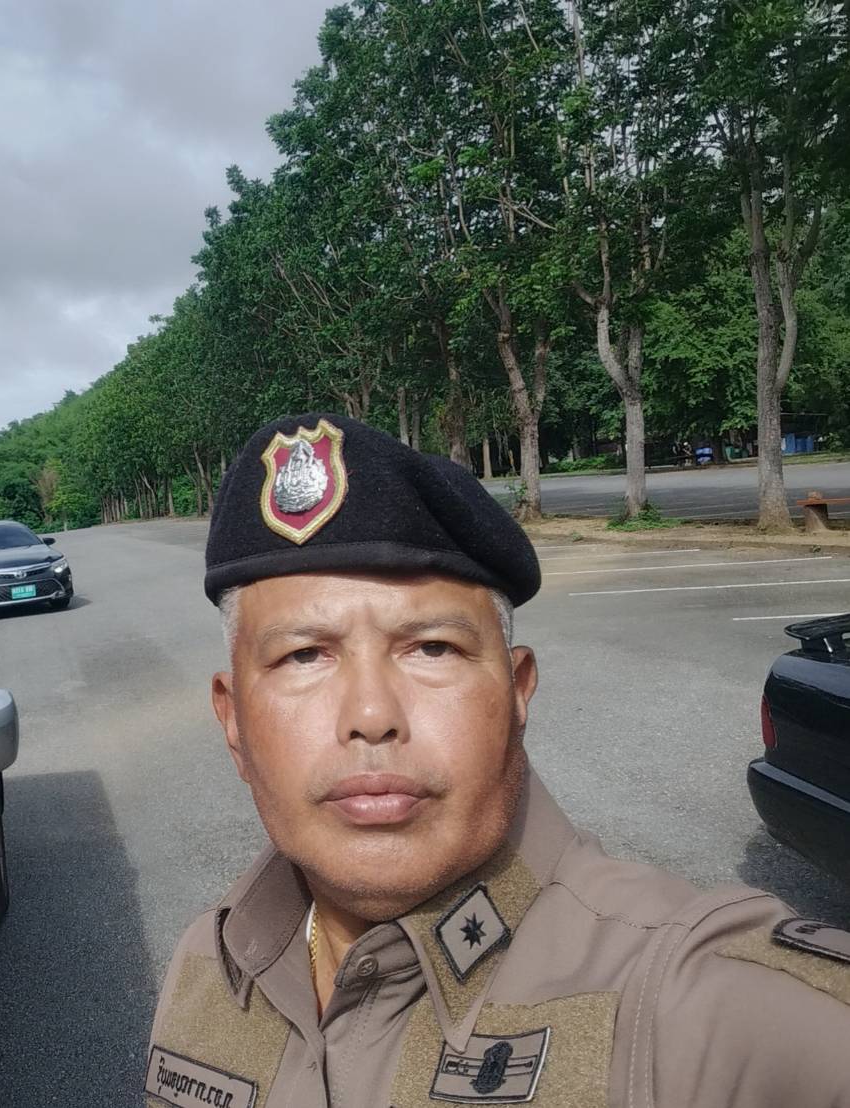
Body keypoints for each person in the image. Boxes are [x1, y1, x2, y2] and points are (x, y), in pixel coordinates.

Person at [145, 413, 850, 1108]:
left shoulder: (696, 1003)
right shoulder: (207, 969)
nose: (371, 715)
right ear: (233, 722)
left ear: (516, 693)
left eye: (432, 649)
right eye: (304, 656)